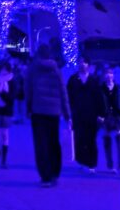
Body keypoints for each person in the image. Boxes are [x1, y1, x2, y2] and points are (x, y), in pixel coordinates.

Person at [26, 43, 71, 187]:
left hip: (38, 111)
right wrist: (67, 113)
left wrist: (28, 108)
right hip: (54, 111)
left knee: (40, 144)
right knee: (53, 142)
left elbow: (28, 90)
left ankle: (45, 176)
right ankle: (55, 173)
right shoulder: (56, 70)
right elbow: (63, 92)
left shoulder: (32, 69)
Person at [67, 56, 105, 173]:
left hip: (92, 115)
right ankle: (82, 162)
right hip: (77, 114)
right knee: (79, 139)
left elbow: (99, 98)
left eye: (85, 62)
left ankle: (92, 164)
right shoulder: (73, 79)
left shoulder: (94, 80)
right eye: (80, 62)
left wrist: (101, 114)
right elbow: (69, 98)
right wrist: (68, 114)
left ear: (89, 65)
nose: (82, 64)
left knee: (91, 139)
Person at [100, 64, 120, 174]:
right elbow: (98, 103)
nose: (109, 75)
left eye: (111, 73)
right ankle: (110, 166)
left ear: (114, 75)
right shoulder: (101, 89)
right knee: (107, 141)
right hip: (106, 117)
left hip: (117, 117)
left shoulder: (119, 88)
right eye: (107, 73)